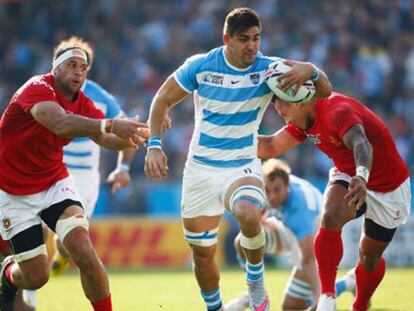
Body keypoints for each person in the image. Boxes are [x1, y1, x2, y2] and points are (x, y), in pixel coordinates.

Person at [144, 7, 332, 311]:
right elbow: (162, 99)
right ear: (226, 39)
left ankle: (255, 282)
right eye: (244, 39)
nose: (252, 47)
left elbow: (325, 91)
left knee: (247, 212)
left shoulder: (270, 70)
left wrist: (310, 69)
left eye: (257, 39)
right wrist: (154, 145)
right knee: (203, 256)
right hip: (201, 171)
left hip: (241, 164)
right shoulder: (201, 66)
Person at [0, 37, 149, 311]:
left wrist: (136, 136)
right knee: (36, 276)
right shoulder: (37, 87)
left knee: (83, 251)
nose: (78, 72)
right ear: (55, 69)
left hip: (53, 182)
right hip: (12, 191)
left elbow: (106, 139)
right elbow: (60, 123)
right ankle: (8, 276)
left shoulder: (85, 102)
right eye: (72, 65)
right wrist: (112, 124)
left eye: (83, 67)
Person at [257, 91, 411, 311]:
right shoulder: (303, 121)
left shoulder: (337, 111)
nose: (285, 119)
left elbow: (362, 143)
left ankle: (359, 305)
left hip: (389, 186)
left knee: (369, 258)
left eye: (285, 113)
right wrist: (228, 143)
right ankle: (327, 298)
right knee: (330, 216)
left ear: (301, 103)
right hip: (349, 173)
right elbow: (271, 146)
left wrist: (362, 175)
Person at [224, 159, 357, 311]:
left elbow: (308, 257)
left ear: (288, 186)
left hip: (316, 246)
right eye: (268, 190)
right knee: (243, 241)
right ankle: (253, 293)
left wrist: (318, 298)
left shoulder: (301, 208)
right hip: (289, 233)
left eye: (277, 190)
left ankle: (348, 282)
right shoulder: (266, 187)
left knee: (291, 306)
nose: (271, 196)